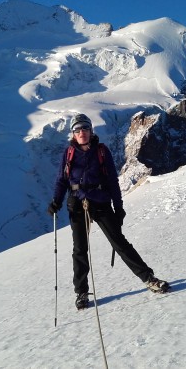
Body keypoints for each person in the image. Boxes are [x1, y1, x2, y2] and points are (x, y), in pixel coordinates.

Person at [47, 113, 169, 310]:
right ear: (73, 133)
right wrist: (56, 201)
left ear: (91, 130)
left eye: (84, 128)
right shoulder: (68, 153)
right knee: (80, 249)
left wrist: (118, 207)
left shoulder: (102, 152)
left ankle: (148, 278)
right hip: (77, 203)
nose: (81, 133)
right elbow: (62, 180)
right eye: (77, 130)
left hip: (100, 201)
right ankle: (81, 292)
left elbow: (112, 180)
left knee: (119, 243)